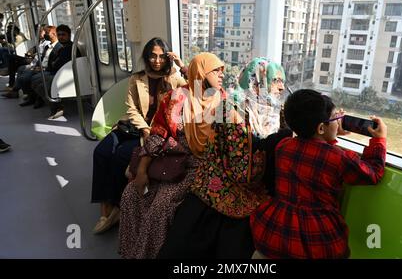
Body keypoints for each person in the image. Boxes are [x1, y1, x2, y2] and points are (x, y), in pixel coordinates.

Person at [156, 58, 290, 259]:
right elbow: (241, 166)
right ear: (257, 81)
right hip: (223, 185)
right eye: (275, 80)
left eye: (281, 80)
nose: (280, 87)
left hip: (233, 178)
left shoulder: (271, 110)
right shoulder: (231, 108)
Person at [250, 89, 387, 259]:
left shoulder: (283, 146)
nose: (339, 122)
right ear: (321, 127)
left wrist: (331, 132)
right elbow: (372, 173)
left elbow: (313, 147)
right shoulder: (338, 157)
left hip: (275, 232)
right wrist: (379, 140)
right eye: (336, 119)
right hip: (316, 238)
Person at [118, 52, 225, 259]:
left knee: (161, 206)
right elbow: (159, 133)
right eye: (216, 70)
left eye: (222, 71)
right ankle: (132, 251)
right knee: (131, 194)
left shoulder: (220, 101)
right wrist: (141, 170)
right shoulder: (178, 98)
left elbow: (223, 142)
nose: (221, 75)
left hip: (199, 167)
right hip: (169, 159)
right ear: (201, 73)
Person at [91, 37, 186, 235]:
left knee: (121, 157)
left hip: (153, 131)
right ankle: (104, 205)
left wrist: (181, 65)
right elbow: (131, 107)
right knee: (101, 152)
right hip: (132, 126)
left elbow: (196, 89)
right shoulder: (137, 78)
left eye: (161, 57)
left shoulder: (174, 78)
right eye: (153, 56)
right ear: (146, 56)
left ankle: (115, 205)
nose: (157, 61)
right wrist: (143, 127)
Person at [30, 24, 80, 119]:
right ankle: (47, 102)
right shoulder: (61, 47)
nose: (61, 37)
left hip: (66, 75)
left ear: (69, 35)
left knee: (42, 85)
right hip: (58, 72)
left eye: (63, 35)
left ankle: (58, 107)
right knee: (35, 79)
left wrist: (51, 66)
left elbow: (59, 64)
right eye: (59, 35)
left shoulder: (70, 48)